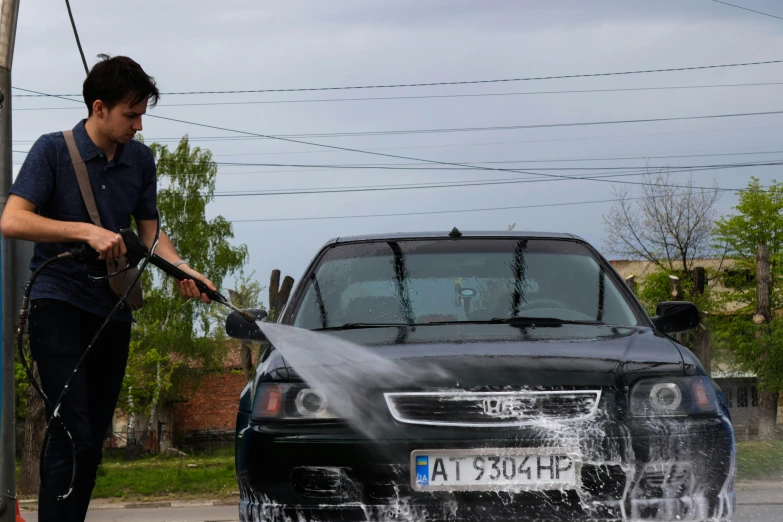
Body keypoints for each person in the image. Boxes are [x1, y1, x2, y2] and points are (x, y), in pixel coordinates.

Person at [0, 54, 215, 521]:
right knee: (70, 427)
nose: (139, 125)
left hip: (113, 308)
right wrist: (85, 231)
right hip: (56, 302)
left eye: (142, 114)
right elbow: (12, 220)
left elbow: (152, 232)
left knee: (94, 435)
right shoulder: (51, 150)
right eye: (131, 114)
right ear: (99, 108)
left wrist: (184, 269)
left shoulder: (140, 159)